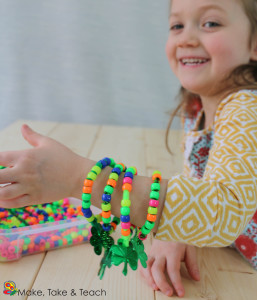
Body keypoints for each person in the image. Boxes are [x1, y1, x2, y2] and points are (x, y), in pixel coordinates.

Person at [0, 0, 257, 297]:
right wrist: (177, 231)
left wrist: (80, 176)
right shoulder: (198, 106)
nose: (186, 37)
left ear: (254, 44)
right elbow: (204, 188)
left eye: (211, 23)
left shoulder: (247, 109)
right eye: (176, 25)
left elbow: (227, 209)